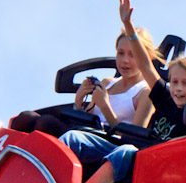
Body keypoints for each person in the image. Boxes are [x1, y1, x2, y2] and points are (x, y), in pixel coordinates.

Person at [63, 0, 186, 183]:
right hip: (133, 152)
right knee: (74, 137)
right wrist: (128, 25)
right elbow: (146, 66)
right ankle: (42, 179)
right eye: (174, 82)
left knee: (126, 152)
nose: (178, 88)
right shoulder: (165, 99)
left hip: (159, 170)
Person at [10, 29, 158, 136]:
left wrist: (105, 106)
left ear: (147, 58)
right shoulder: (108, 83)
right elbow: (87, 121)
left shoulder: (146, 93)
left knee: (45, 124)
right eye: (121, 53)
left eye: (132, 55)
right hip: (83, 134)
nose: (125, 60)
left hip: (105, 145)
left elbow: (134, 139)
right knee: (25, 118)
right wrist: (79, 104)